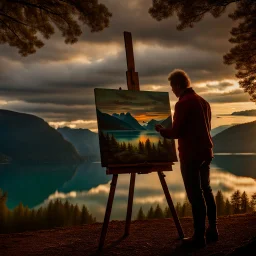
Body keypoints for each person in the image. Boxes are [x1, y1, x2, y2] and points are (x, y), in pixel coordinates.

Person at [155, 69, 218, 249]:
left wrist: (161, 130)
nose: (172, 92)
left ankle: (199, 237)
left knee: (195, 196)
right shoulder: (203, 102)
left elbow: (176, 132)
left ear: (177, 85)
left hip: (191, 155)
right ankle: (212, 230)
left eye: (172, 87)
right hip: (206, 153)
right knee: (206, 190)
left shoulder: (183, 103)